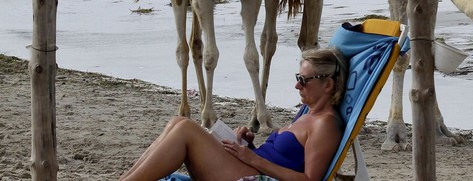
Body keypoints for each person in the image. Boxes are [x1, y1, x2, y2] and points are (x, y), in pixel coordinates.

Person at [118, 48, 349, 181]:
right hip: (250, 169)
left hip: (254, 177)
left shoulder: (325, 125)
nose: (297, 86)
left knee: (186, 129)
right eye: (297, 79)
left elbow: (310, 180)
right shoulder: (306, 114)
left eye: (303, 80)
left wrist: (253, 159)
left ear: (328, 85)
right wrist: (250, 147)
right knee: (177, 122)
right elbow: (282, 157)